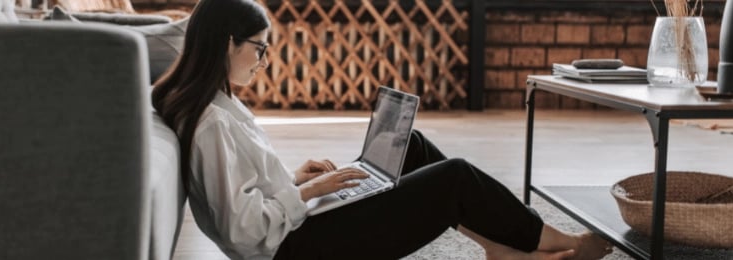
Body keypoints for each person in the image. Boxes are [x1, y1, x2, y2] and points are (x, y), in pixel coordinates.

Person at [151, 0, 614, 259]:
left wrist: (296, 179)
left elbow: (245, 192)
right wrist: (311, 194)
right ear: (228, 42)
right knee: (452, 176)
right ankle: (548, 240)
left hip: (296, 227)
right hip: (295, 251)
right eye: (259, 49)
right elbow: (241, 230)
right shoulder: (211, 121)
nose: (264, 61)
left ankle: (499, 247)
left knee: (407, 143)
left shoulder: (218, 103)